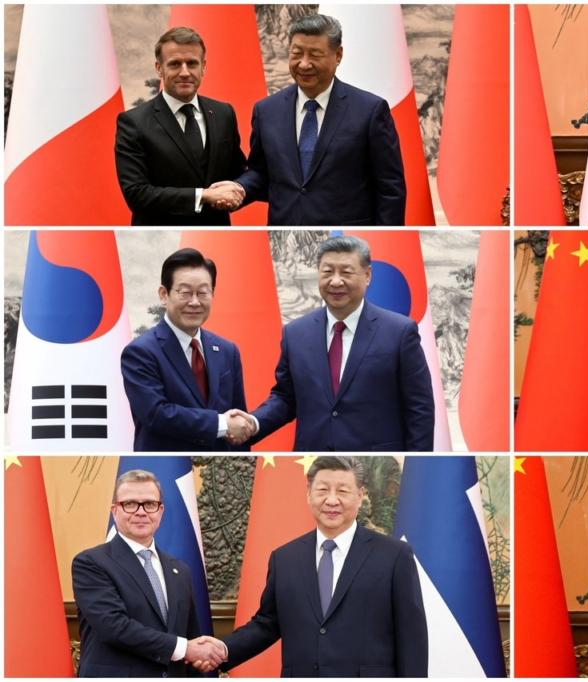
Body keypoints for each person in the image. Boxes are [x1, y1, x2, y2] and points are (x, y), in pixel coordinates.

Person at [214, 456, 428, 676]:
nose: (332, 500)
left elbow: (411, 638)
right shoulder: (284, 558)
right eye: (323, 490)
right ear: (308, 494)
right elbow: (267, 623)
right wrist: (222, 649)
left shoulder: (394, 555)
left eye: (343, 491)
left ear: (360, 495)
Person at [247, 236, 433, 451]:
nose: (335, 281)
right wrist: (254, 422)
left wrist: (420, 458)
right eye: (327, 272)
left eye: (346, 272)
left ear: (367, 275)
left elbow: (420, 409)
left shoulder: (400, 331)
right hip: (311, 460)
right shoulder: (295, 333)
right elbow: (285, 397)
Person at [230, 13, 406, 225]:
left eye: (314, 55)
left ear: (338, 55)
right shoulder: (266, 110)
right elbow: (261, 172)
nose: (304, 64)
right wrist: (238, 188)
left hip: (347, 235)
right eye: (297, 54)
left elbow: (390, 188)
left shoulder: (369, 111)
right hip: (287, 232)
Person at [72, 469, 227, 677]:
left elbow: (191, 637)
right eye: (129, 504)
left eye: (149, 504)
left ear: (160, 511)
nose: (141, 512)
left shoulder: (180, 571)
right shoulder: (90, 563)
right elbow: (114, 628)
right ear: (114, 511)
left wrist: (198, 655)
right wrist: (185, 649)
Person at [121, 248, 255, 451]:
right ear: (163, 295)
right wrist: (221, 423)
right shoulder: (140, 352)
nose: (195, 302)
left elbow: (237, 421)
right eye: (185, 292)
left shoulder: (228, 350)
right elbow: (156, 414)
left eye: (203, 292)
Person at [114, 27, 247, 226]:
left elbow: (238, 171)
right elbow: (137, 194)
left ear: (203, 66)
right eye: (175, 64)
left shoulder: (224, 113)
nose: (184, 72)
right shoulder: (133, 122)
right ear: (159, 68)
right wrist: (203, 195)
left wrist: (238, 189)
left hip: (217, 232)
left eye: (192, 63)